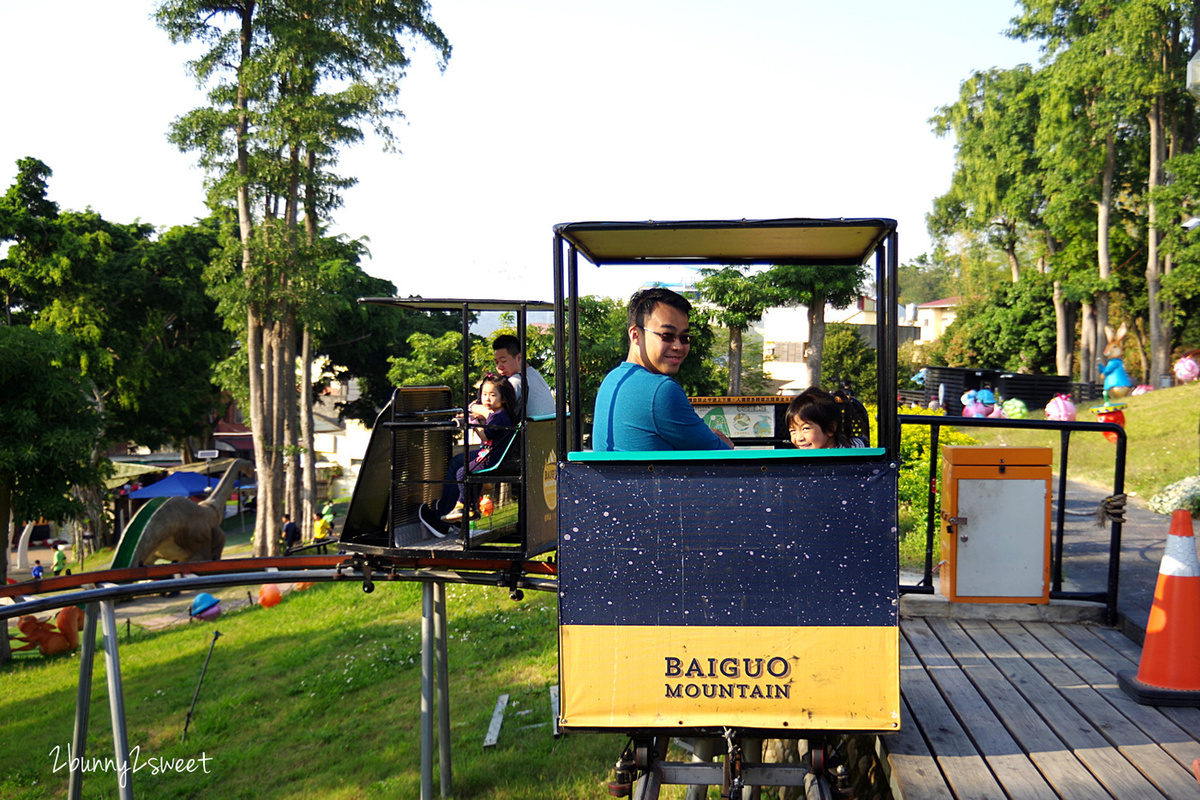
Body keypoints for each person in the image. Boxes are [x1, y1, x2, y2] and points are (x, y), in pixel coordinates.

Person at [592, 287, 733, 452]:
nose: (678, 346)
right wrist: (720, 440)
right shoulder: (661, 390)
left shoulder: (612, 379)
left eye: (685, 338)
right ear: (636, 335)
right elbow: (723, 455)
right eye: (667, 336)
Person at [442, 375, 518, 523]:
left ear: (503, 399)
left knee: (462, 472)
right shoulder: (501, 414)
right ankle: (471, 509)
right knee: (472, 477)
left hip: (491, 458)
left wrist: (474, 423)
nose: (487, 399)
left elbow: (484, 436)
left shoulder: (497, 417)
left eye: (493, 395)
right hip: (495, 455)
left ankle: (461, 504)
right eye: (484, 394)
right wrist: (481, 420)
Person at [491, 334, 555, 418]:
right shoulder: (535, 375)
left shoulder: (516, 381)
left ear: (519, 358)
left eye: (503, 361)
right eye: (496, 362)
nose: (499, 367)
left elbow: (497, 417)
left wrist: (473, 407)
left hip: (531, 430)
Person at [785, 387, 866, 449]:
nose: (799, 438)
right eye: (793, 431)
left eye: (805, 429)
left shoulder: (850, 456)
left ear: (831, 428)